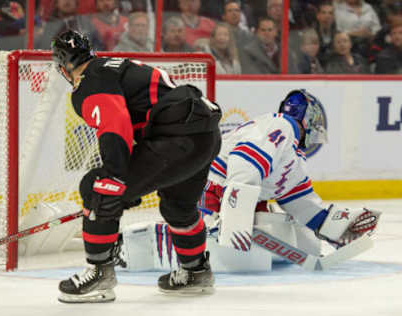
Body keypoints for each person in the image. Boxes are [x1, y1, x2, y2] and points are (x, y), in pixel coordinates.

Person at [114, 89, 381, 273]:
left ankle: (209, 236)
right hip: (210, 187)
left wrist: (336, 227)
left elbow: (300, 203)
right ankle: (136, 242)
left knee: (301, 244)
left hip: (238, 195)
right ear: (308, 120)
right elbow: (244, 163)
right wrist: (236, 216)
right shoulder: (281, 126)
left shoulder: (292, 155)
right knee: (224, 253)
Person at [51, 30, 222, 303]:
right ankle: (196, 271)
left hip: (177, 139)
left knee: (97, 187)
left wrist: (116, 180)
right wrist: (128, 184)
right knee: (177, 207)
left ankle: (100, 273)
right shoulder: (115, 65)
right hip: (204, 136)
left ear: (63, 68)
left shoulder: (89, 81)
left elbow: (115, 124)